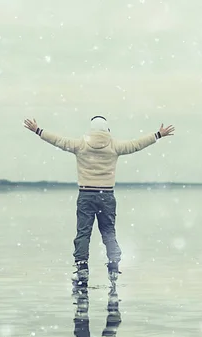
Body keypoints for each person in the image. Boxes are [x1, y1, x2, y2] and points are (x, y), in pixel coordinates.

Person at [23, 116, 174, 287]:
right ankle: (114, 266)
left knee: (83, 233)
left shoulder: (80, 145)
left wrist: (38, 130)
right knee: (108, 232)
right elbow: (136, 145)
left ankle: (81, 268)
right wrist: (158, 135)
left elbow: (58, 140)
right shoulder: (114, 146)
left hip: (86, 195)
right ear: (107, 129)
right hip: (107, 196)